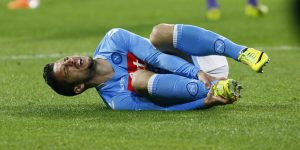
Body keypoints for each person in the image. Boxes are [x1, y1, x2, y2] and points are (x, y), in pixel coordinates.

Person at [43, 23, 269, 111]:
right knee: (138, 79)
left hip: (203, 59)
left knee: (158, 34)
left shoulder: (113, 39)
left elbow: (158, 58)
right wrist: (205, 101)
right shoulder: (117, 100)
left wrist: (197, 71)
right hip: (201, 87)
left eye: (65, 60)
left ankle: (242, 52)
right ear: (78, 88)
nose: (70, 61)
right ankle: (218, 89)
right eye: (67, 70)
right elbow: (163, 111)